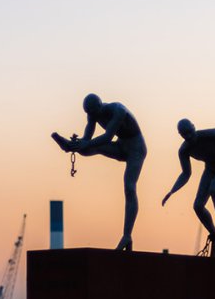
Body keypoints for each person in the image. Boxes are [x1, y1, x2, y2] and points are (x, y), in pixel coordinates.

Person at [51, 93, 146, 251]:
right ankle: (69, 146)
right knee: (87, 147)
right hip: (121, 146)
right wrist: (80, 143)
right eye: (88, 114)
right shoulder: (92, 115)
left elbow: (108, 137)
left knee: (129, 187)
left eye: (93, 112)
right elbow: (88, 139)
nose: (91, 116)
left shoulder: (118, 110)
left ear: (100, 106)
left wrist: (84, 143)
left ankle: (127, 235)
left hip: (136, 149)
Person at [161, 118, 215, 257]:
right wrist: (172, 191)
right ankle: (214, 234)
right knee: (198, 206)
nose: (189, 137)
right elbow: (186, 174)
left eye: (190, 132)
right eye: (185, 135)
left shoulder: (209, 134)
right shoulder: (184, 150)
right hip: (210, 170)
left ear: (194, 128)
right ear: (181, 135)